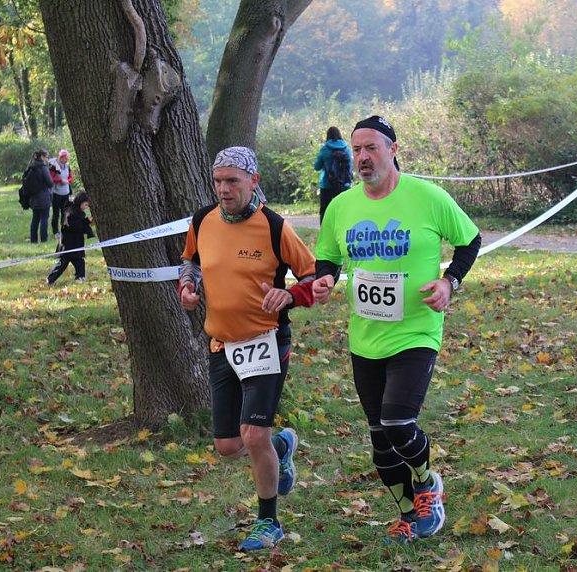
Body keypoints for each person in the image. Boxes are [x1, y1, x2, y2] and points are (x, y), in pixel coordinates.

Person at [311, 116, 482, 544]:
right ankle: (408, 513)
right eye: (356, 150)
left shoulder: (427, 197)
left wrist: (449, 281)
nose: (363, 157)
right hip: (365, 336)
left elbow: (470, 239)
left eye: (371, 147)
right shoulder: (341, 206)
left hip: (416, 331)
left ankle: (427, 484)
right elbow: (328, 256)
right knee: (379, 439)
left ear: (393, 149)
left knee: (398, 422)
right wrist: (325, 279)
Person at [178, 146, 316, 552]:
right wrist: (188, 286)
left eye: (232, 181)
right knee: (228, 446)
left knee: (254, 433)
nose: (223, 188)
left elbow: (315, 277)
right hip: (221, 343)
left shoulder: (274, 227)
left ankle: (268, 521)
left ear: (253, 181)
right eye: (218, 180)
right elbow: (191, 260)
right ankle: (281, 446)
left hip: (267, 342)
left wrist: (289, 295)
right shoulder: (202, 219)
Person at [46, 192, 95, 285]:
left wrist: (87, 224)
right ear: (80, 202)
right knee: (63, 263)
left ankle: (80, 277)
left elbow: (80, 226)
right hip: (68, 243)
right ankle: (50, 279)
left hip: (76, 243)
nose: (86, 207)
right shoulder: (71, 212)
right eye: (85, 205)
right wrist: (86, 222)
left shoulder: (78, 213)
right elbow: (73, 226)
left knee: (79, 261)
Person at [313, 126, 353, 223]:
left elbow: (317, 166)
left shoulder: (324, 149)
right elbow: (350, 167)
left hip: (326, 184)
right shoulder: (346, 149)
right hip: (344, 184)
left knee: (325, 209)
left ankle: (324, 230)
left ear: (328, 136)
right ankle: (343, 228)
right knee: (343, 209)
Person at [26, 149, 54, 243]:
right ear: (42, 157)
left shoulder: (31, 166)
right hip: (43, 197)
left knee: (35, 219)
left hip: (33, 197)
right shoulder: (43, 168)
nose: (47, 159)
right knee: (44, 219)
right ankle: (44, 239)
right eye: (46, 157)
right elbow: (50, 183)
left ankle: (33, 240)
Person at [49, 149, 75, 238]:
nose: (66, 160)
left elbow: (71, 178)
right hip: (56, 193)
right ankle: (55, 231)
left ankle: (64, 229)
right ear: (61, 157)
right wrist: (60, 180)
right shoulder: (54, 167)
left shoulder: (67, 167)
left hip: (66, 193)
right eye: (65, 158)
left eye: (67, 158)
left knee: (65, 212)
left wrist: (68, 181)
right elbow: (50, 179)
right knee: (56, 213)